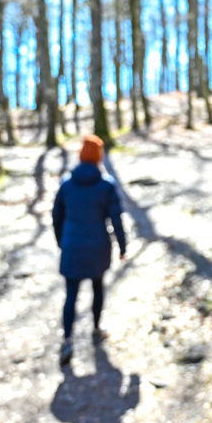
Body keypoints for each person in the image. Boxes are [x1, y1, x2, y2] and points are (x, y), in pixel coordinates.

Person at [52, 135, 127, 366]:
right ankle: (95, 329)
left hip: (72, 245)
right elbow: (117, 219)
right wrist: (123, 246)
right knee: (97, 287)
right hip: (98, 246)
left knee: (71, 294)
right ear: (99, 156)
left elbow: (56, 217)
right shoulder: (106, 185)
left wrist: (61, 241)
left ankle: (67, 340)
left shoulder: (67, 183)